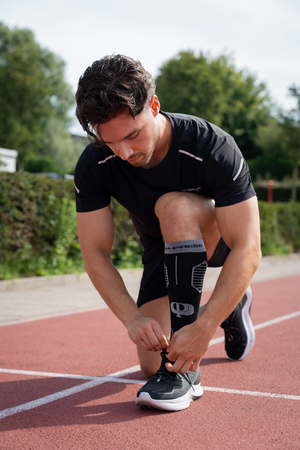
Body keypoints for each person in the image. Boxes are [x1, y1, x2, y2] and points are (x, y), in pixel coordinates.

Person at [74, 54, 261, 412]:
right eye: (111, 142)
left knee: (173, 207)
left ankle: (185, 377)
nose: (125, 152)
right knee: (150, 360)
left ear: (154, 106)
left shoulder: (212, 147)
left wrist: (204, 329)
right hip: (160, 249)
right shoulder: (95, 163)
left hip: (216, 238)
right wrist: (132, 318)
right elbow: (94, 251)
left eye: (133, 135)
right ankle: (231, 306)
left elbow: (248, 248)